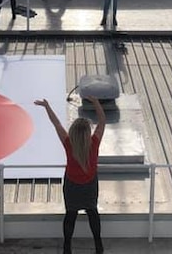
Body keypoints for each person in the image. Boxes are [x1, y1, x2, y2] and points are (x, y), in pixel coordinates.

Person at [34, 96, 106, 254]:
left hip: (72, 185)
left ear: (73, 132)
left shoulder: (68, 143)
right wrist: (95, 102)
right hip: (89, 185)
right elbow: (102, 122)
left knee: (70, 214)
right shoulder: (94, 143)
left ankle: (67, 246)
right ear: (88, 134)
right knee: (92, 212)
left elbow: (57, 124)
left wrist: (47, 106)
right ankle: (98, 245)